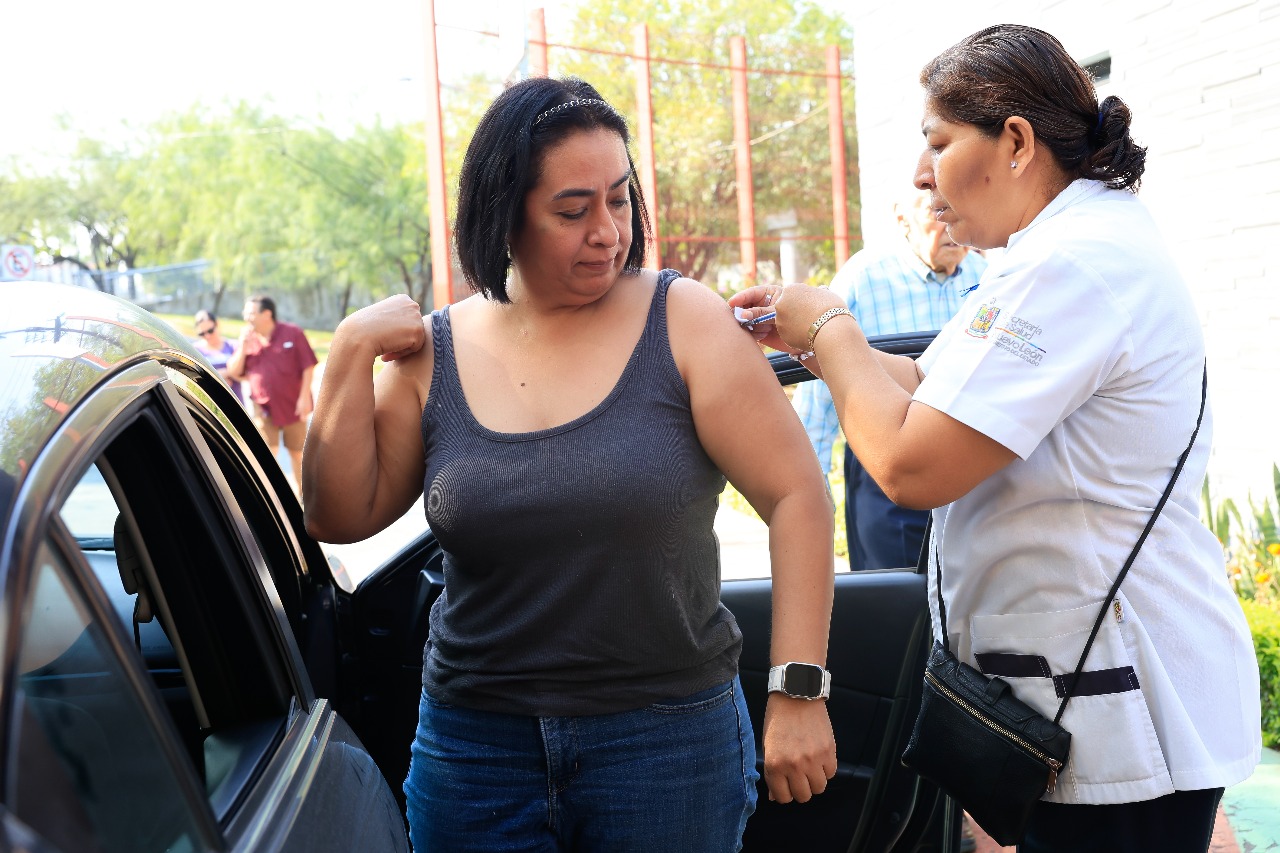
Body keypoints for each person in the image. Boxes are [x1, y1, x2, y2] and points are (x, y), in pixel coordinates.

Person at [731, 24, 1260, 853]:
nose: (919, 174)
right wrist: (813, 342)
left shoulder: (1073, 266)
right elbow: (932, 390)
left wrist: (831, 326)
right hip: (1081, 695)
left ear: (1014, 142)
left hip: (1119, 707)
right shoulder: (1048, 255)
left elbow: (910, 462)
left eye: (936, 142)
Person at [301, 77, 837, 852]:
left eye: (619, 200)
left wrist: (799, 689)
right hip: (474, 749)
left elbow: (796, 495)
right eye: (572, 210)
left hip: (667, 745)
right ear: (504, 214)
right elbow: (338, 512)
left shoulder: (682, 320)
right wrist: (350, 351)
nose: (607, 232)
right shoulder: (434, 352)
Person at [793, 191, 986, 571]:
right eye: (938, 210)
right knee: (892, 601)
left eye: (960, 205)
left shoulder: (987, 279)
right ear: (902, 220)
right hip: (884, 467)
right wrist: (808, 501)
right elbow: (820, 395)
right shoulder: (863, 279)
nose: (952, 222)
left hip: (969, 468)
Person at [227, 295, 316, 492]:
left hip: (294, 406)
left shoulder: (292, 333)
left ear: (266, 314)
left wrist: (304, 398)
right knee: (266, 455)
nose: (246, 317)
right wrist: (242, 346)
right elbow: (234, 371)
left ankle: (302, 497)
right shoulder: (247, 339)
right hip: (264, 408)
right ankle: (271, 498)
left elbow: (308, 366)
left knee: (296, 453)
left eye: (250, 313)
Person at [191, 309, 244, 405]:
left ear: (217, 325)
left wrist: (215, 376)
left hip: (236, 402)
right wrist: (223, 376)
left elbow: (244, 372)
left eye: (210, 331)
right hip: (212, 404)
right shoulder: (194, 350)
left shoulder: (233, 345)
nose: (207, 336)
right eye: (202, 334)